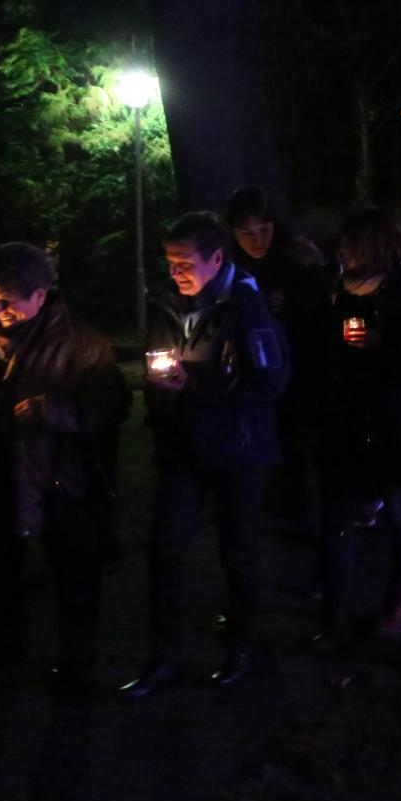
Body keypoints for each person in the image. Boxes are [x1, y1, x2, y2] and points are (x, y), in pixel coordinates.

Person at [0, 243, 129, 699]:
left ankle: (77, 668)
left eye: (7, 298)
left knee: (73, 570)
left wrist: (59, 411)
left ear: (41, 295)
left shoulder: (81, 342)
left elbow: (111, 407)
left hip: (57, 477)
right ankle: (4, 656)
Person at [122, 212, 290, 698]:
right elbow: (156, 365)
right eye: (170, 262)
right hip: (184, 448)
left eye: (185, 262)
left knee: (239, 553)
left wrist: (194, 385)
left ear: (217, 259)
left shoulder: (247, 307)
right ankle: (165, 657)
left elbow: (269, 382)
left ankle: (242, 647)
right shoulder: (166, 304)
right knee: (164, 548)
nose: (176, 272)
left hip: (239, 449)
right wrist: (160, 395)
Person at [320, 207, 401, 644]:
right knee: (337, 517)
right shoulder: (344, 289)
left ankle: (399, 602)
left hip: (393, 421)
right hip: (347, 417)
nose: (343, 250)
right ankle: (333, 612)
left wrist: (382, 344)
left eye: (351, 243)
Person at [224, 186, 331, 534]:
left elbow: (322, 310)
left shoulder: (295, 257)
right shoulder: (231, 270)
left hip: (298, 369)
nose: (257, 240)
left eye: (264, 230)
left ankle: (300, 514)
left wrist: (294, 303)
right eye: (246, 233)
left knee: (297, 443)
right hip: (254, 372)